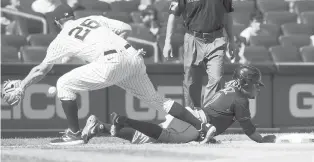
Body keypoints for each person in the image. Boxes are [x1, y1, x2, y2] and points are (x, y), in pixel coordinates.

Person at [14, 12, 216, 145]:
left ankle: (74, 134)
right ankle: (202, 126)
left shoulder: (61, 37)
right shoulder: (93, 19)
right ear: (73, 16)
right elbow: (126, 28)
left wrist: (22, 85)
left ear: (58, 23)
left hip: (110, 62)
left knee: (63, 83)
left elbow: (42, 69)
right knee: (157, 101)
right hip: (133, 55)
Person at [82, 65, 276, 144]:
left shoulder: (229, 90)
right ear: (245, 83)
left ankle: (100, 127)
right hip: (196, 124)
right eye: (256, 85)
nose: (258, 89)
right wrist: (263, 140)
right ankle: (126, 121)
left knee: (151, 137)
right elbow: (250, 131)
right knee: (160, 137)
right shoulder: (240, 99)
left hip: (193, 117)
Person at [163, 0, 237, 110]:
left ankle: (207, 116)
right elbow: (172, 15)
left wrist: (232, 40)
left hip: (216, 38)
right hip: (193, 38)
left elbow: (228, 15)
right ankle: (194, 115)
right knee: (191, 81)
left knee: (216, 78)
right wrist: (167, 42)